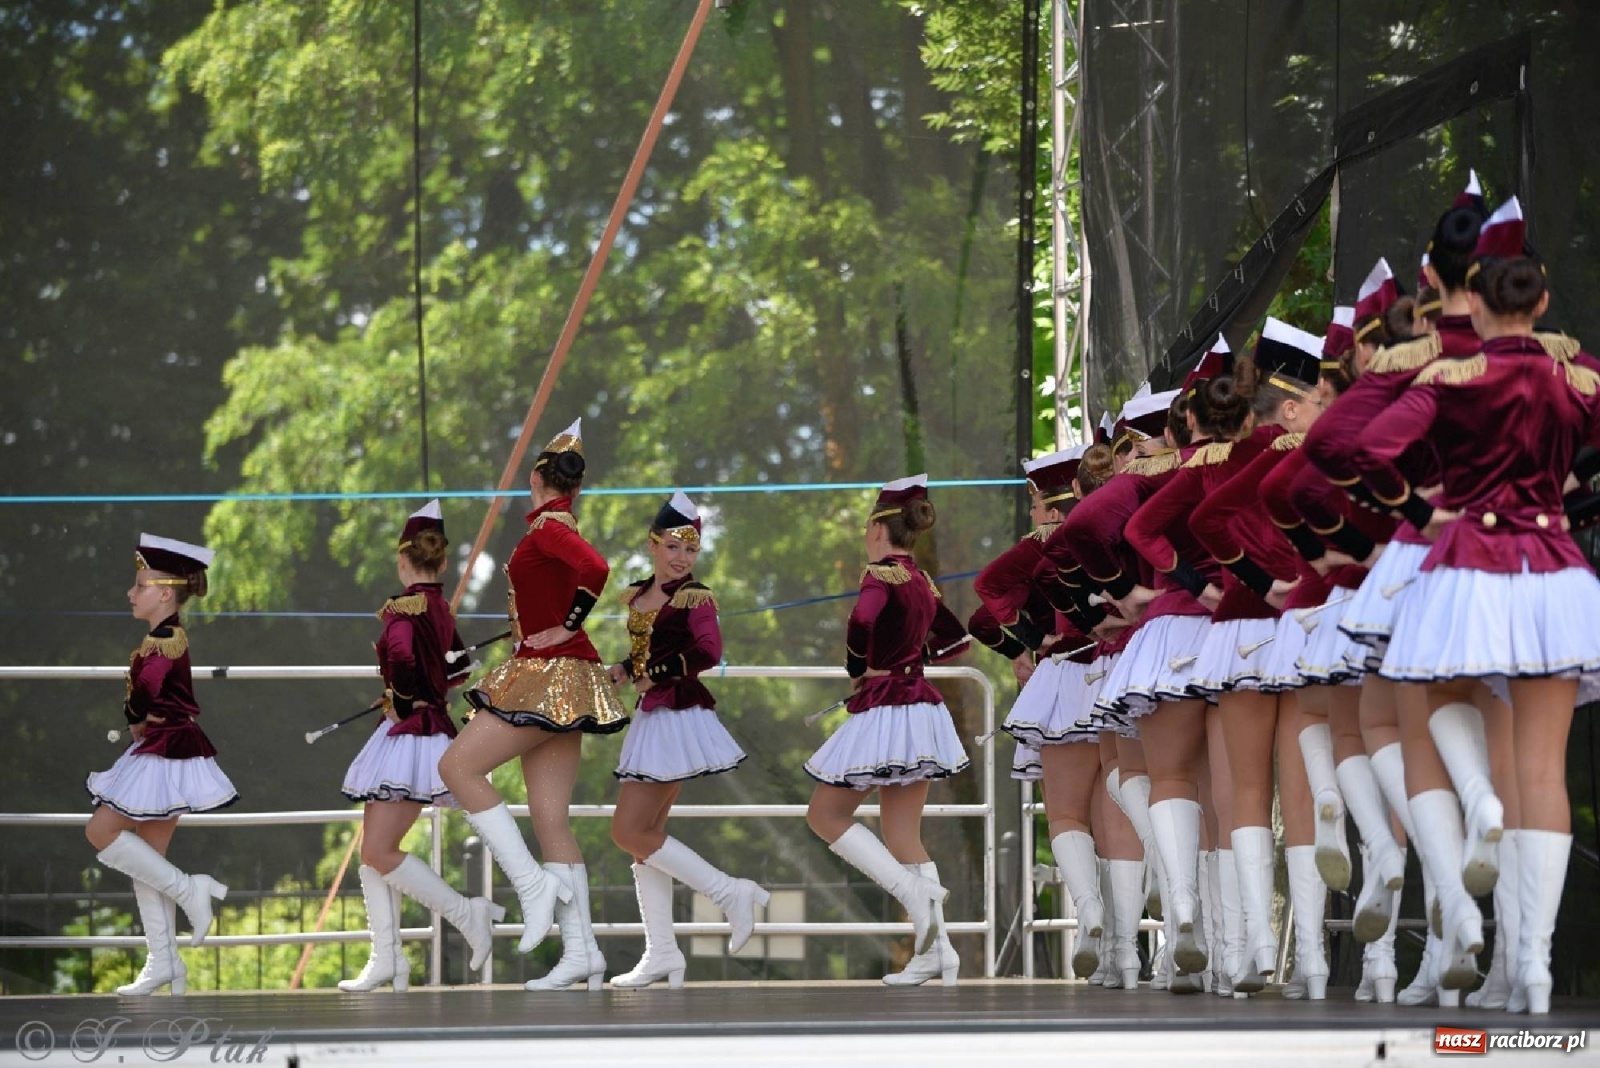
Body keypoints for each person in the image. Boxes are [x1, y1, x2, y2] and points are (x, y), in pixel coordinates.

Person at [1354, 197, 1600, 1015]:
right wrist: (1572, 493)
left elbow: (1363, 452)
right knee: (1543, 767)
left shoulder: (1453, 377)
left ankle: (1479, 828)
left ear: (1477, 299)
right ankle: (1531, 967)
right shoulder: (1578, 375)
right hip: (1557, 573)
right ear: (1539, 301)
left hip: (1471, 569)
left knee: (1440, 707)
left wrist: (1423, 510)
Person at [437, 418, 629, 991]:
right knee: (551, 820)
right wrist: (549, 626)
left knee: (457, 766)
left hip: (547, 675)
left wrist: (562, 627)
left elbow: (597, 568)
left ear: (537, 478)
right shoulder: (554, 525)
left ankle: (530, 884)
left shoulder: (548, 526)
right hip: (561, 675)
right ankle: (583, 951)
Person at [805, 474, 970, 986]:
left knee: (824, 814)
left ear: (879, 527)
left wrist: (862, 666)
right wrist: (907, 660)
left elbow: (861, 622)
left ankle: (913, 897)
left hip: (886, 709)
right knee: (903, 835)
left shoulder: (880, 575)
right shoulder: (921, 580)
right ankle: (937, 949)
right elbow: (957, 642)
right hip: (918, 705)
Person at [336, 501, 504, 992]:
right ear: (444, 562)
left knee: (377, 850)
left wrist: (399, 699)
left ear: (403, 560)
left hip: (411, 734)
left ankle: (464, 913)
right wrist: (409, 693)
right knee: (373, 852)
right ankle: (387, 958)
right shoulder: (441, 610)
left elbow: (409, 665)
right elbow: (457, 672)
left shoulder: (403, 610)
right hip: (427, 730)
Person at [607, 491, 769, 989]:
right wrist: (622, 668)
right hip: (652, 718)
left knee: (628, 831)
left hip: (677, 714)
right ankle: (662, 952)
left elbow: (708, 650)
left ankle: (728, 892)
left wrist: (653, 674)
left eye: (690, 550)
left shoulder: (695, 597)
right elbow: (644, 654)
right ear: (653, 545)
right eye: (674, 547)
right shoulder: (638, 597)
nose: (681, 558)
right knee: (644, 841)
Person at [86, 535, 235, 996]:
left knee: (101, 831)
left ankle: (191, 891)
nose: (132, 594)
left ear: (166, 593)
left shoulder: (165, 639)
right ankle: (164, 961)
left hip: (165, 752)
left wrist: (135, 718)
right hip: (164, 749)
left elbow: (145, 696)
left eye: (141, 585)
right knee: (148, 860)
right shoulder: (163, 637)